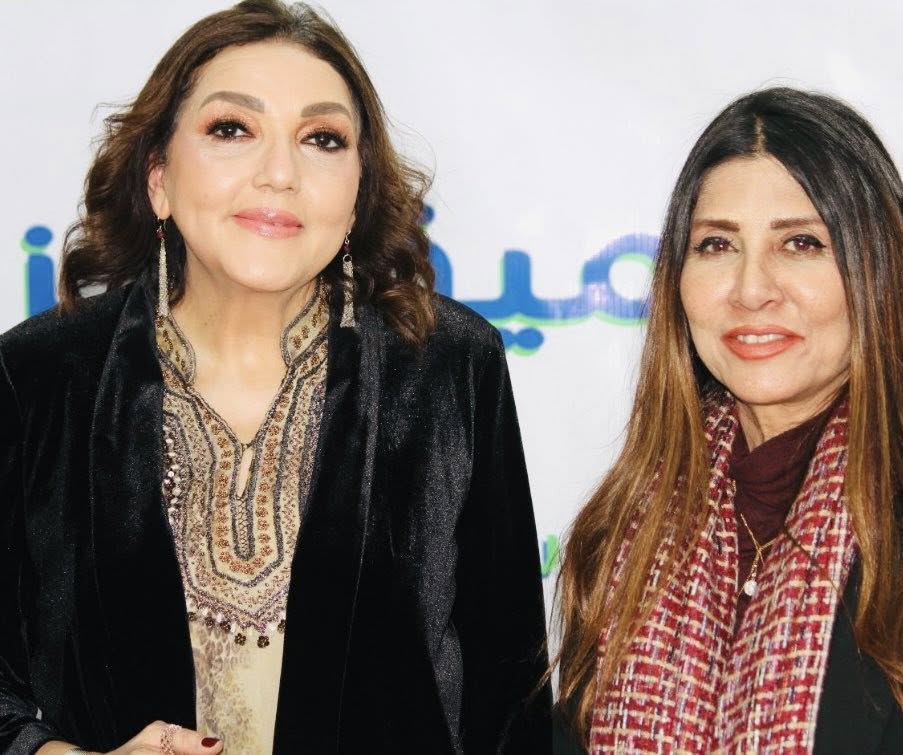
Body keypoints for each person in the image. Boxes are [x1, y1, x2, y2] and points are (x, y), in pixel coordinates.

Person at [0, 2, 550, 753]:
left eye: (322, 139)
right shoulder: (40, 375)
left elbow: (509, 696)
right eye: (232, 129)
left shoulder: (447, 366)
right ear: (158, 177)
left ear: (357, 191)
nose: (280, 174)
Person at [554, 87, 903, 753]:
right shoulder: (622, 537)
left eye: (800, 242)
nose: (751, 289)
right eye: (716, 244)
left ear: (876, 273)